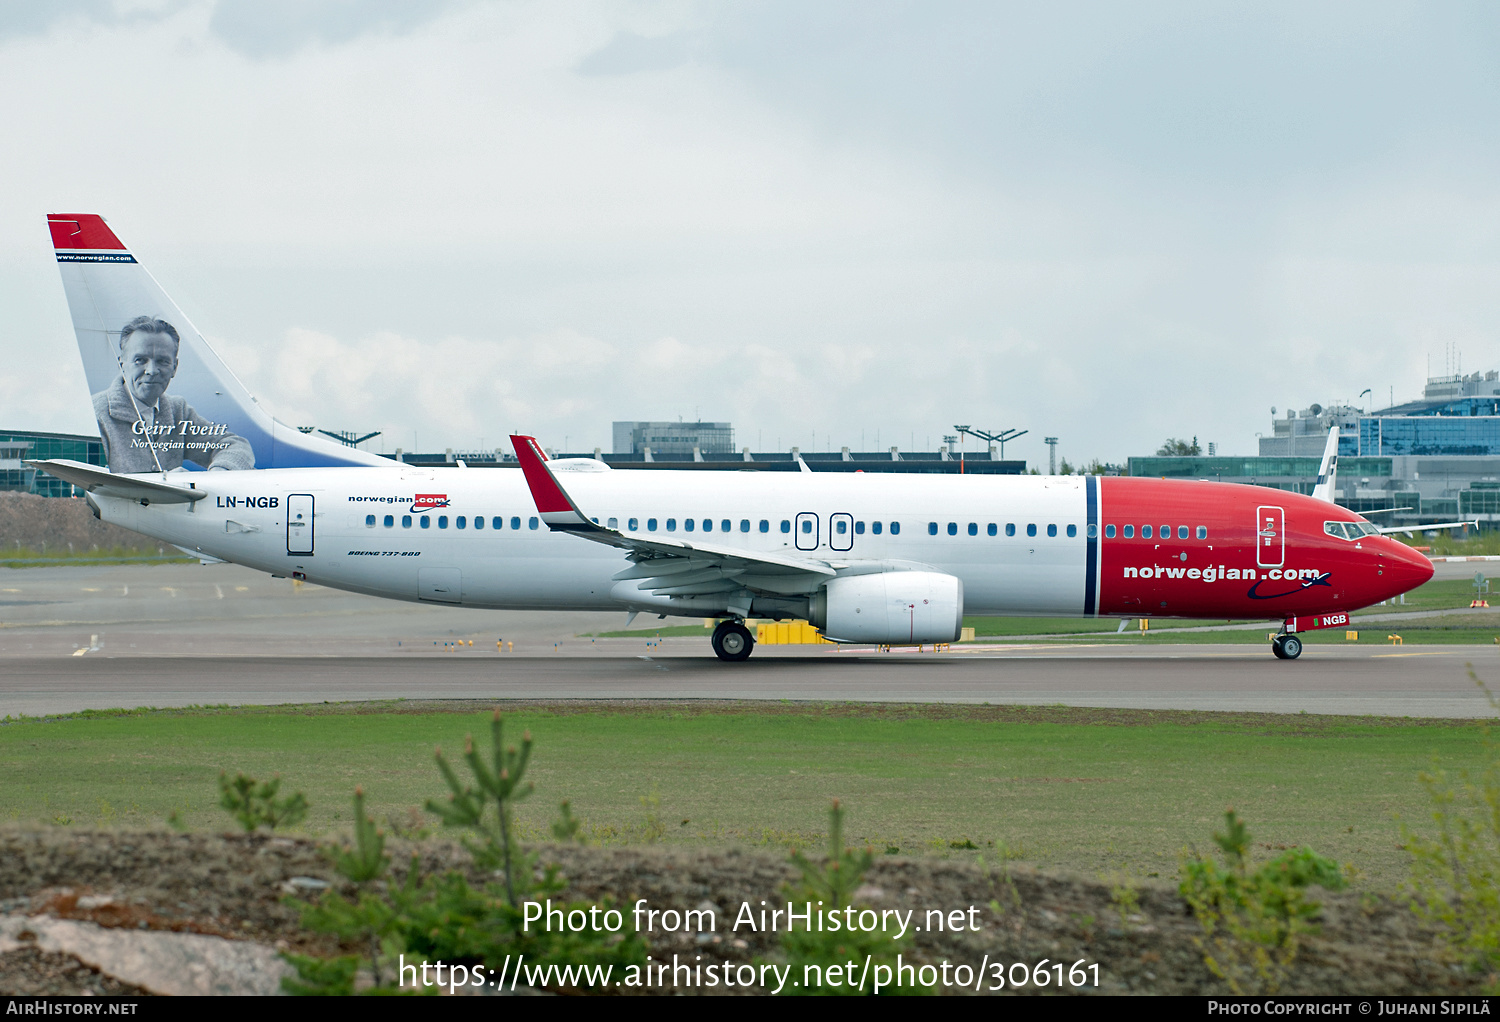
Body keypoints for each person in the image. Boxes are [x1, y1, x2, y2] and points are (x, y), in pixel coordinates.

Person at [91, 316, 254, 472]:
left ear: (174, 367)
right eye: (140, 360)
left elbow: (234, 444)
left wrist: (219, 472)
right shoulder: (97, 414)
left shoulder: (178, 411)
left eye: (163, 361)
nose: (152, 371)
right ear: (122, 365)